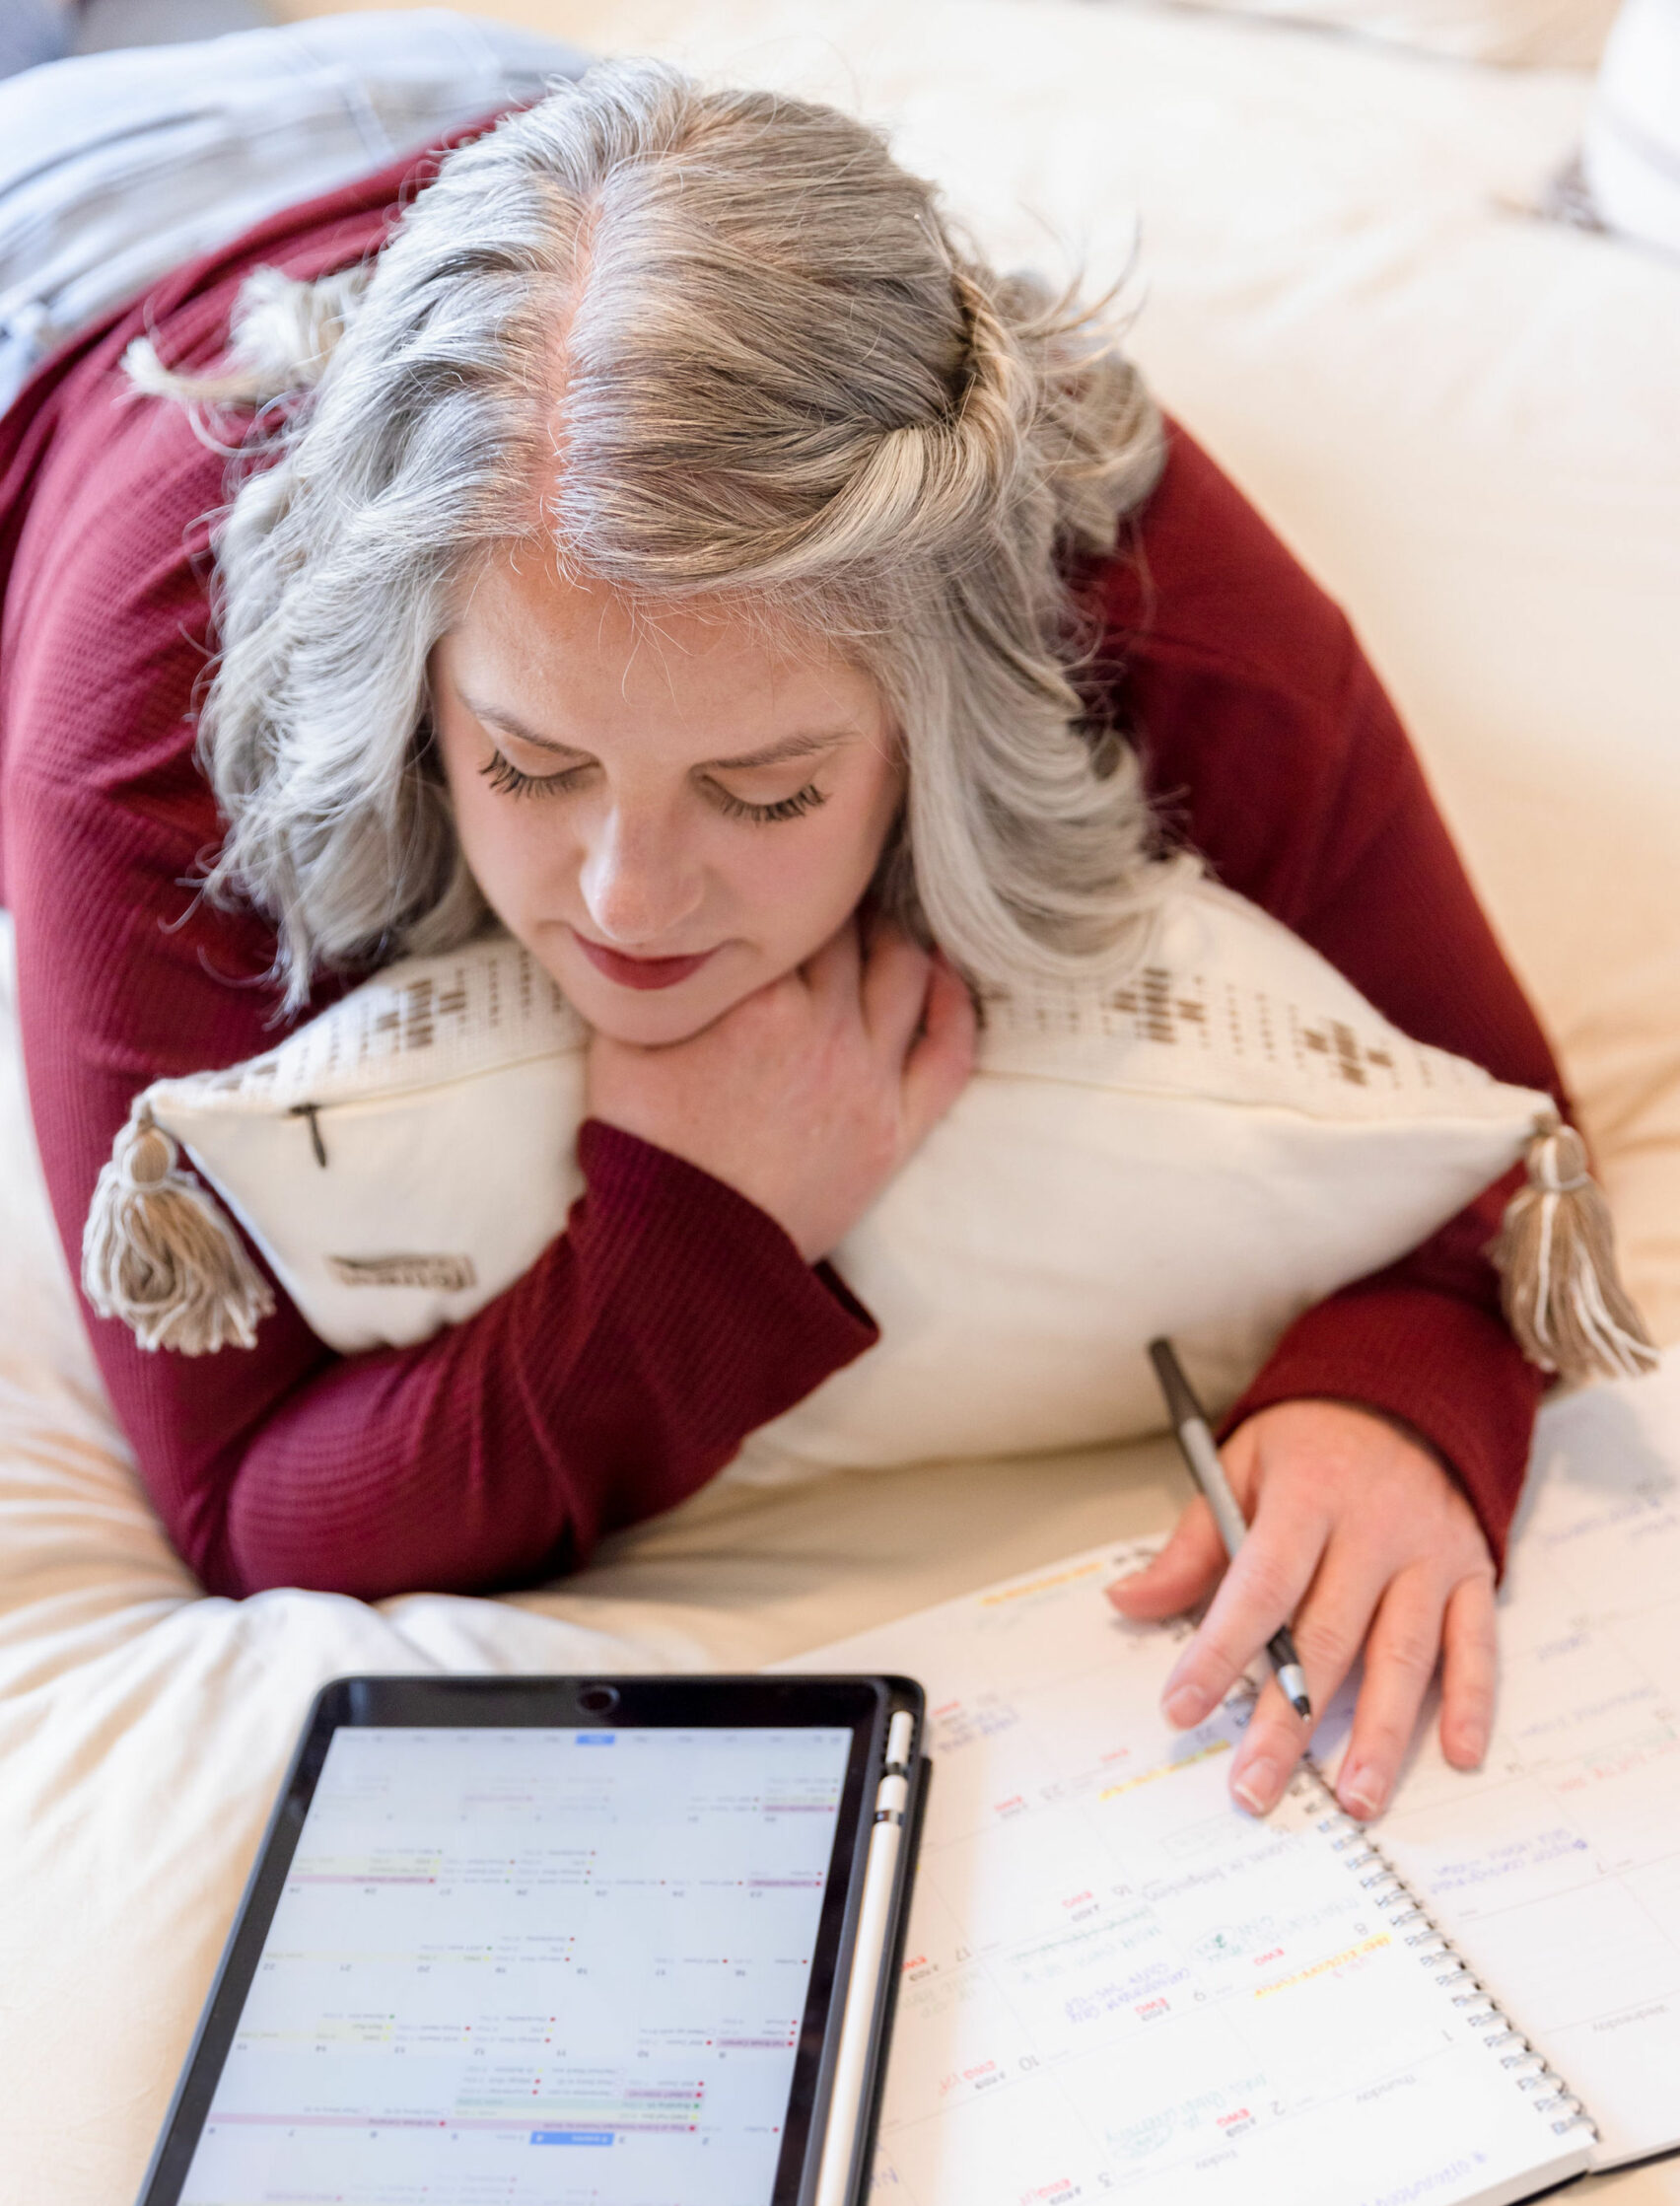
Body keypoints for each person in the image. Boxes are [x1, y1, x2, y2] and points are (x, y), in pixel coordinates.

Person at [0, 62, 1569, 1823]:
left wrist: (1392, 1398)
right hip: (62, 252)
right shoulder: (137, 726)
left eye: (760, 788)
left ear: (939, 706)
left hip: (539, 124)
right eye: (528, 765)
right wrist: (704, 1230)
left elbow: (1509, 1154)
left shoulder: (1134, 590)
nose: (628, 903)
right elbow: (240, 1508)